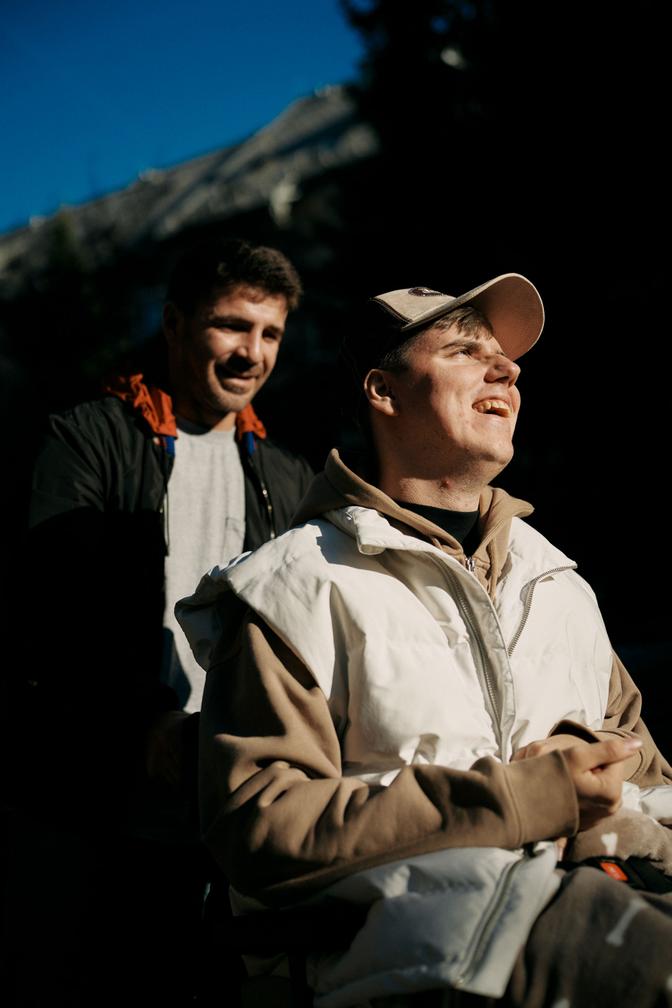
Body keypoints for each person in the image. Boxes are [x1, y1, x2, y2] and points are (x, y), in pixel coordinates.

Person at [179, 273, 672, 1006]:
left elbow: (655, 783)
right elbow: (263, 833)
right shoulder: (292, 587)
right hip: (412, 955)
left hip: (600, 897)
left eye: (506, 360)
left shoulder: (559, 583)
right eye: (467, 351)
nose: (506, 368)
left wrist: (603, 784)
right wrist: (529, 798)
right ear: (383, 390)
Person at [4, 237, 314, 1007]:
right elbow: (54, 606)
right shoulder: (86, 439)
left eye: (270, 333)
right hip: (97, 798)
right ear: (175, 325)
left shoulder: (286, 474)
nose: (252, 353)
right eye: (231, 326)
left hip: (232, 800)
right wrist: (144, 716)